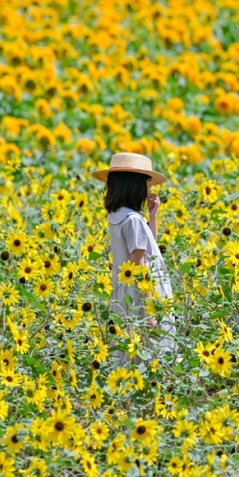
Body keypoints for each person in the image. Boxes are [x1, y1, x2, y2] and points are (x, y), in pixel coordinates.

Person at [94, 152, 176, 362]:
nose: (150, 187)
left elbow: (147, 248)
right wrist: (150, 312)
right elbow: (141, 266)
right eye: (147, 182)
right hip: (143, 297)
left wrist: (153, 215)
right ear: (134, 185)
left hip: (125, 293)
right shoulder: (132, 220)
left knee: (127, 354)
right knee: (152, 356)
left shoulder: (117, 216)